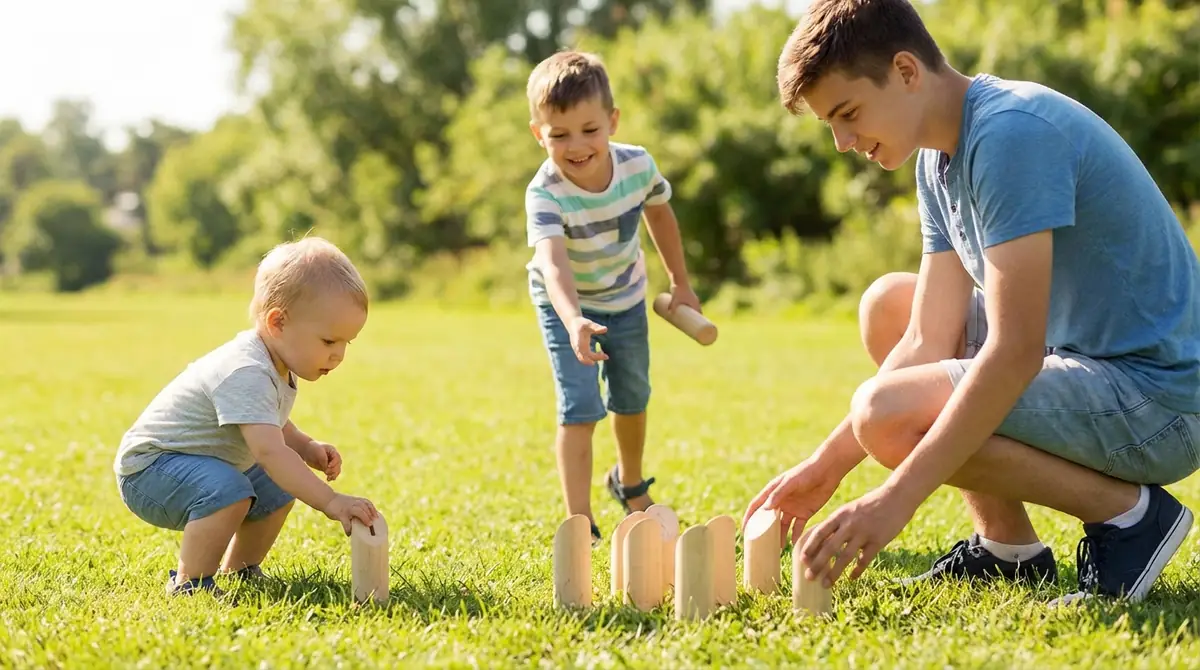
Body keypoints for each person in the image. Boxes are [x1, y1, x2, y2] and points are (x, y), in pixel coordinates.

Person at [744, 0, 1200, 605]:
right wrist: (826, 467)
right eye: (831, 124)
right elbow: (926, 339)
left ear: (906, 71)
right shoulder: (937, 158)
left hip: (1161, 401)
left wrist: (894, 500)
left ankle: (1131, 520)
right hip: (1089, 364)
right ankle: (1008, 550)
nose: (843, 142)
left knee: (885, 413)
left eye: (848, 114)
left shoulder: (1010, 135)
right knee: (889, 307)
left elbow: (1014, 352)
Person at [113, 236, 381, 597]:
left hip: (195, 462)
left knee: (278, 487)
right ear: (278, 322)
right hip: (151, 469)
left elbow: (270, 423)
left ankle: (240, 569)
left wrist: (305, 446)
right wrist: (332, 502)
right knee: (231, 489)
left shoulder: (275, 361)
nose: (339, 355)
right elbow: (269, 452)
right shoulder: (246, 369)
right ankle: (190, 583)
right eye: (329, 342)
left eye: (347, 343)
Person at [523, 50, 702, 546]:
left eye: (589, 130)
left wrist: (679, 281)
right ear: (540, 134)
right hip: (565, 306)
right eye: (559, 135)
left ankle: (629, 483)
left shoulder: (637, 165)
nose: (577, 146)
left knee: (632, 396)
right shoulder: (544, 193)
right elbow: (553, 263)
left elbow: (661, 216)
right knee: (580, 407)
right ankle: (580, 522)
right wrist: (575, 320)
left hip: (625, 296)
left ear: (612, 121)